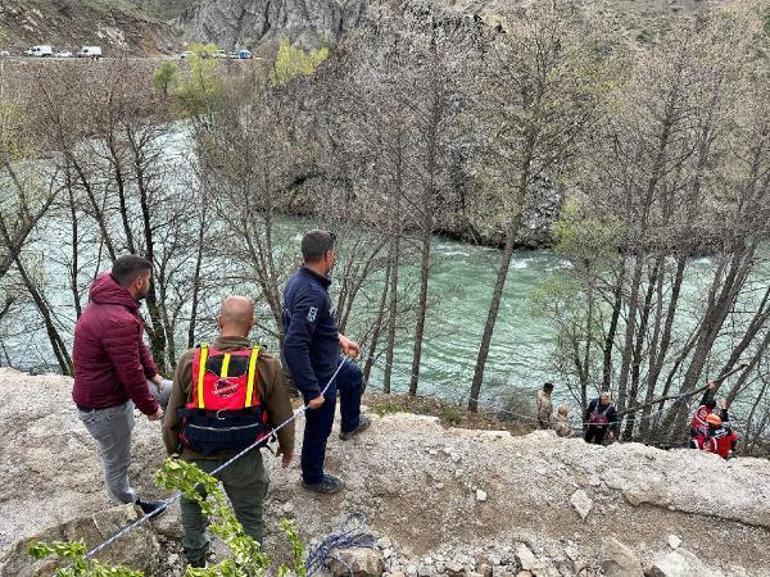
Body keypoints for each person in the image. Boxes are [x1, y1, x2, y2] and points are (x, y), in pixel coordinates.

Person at [163, 296, 295, 568]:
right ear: (253, 323)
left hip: (195, 454)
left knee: (192, 506)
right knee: (249, 517)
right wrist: (287, 447)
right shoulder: (265, 364)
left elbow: (171, 420)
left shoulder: (191, 360)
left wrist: (175, 453)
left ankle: (197, 561)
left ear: (219, 321)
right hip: (243, 458)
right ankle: (248, 567)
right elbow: (283, 415)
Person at [72, 255, 171, 517]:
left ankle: (180, 441)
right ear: (139, 281)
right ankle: (131, 507)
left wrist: (155, 375)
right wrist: (150, 408)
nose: (150, 283)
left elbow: (136, 346)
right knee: (117, 462)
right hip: (104, 405)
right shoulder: (118, 319)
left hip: (111, 388)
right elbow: (130, 374)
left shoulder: (114, 299)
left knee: (173, 391)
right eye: (149, 279)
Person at [282, 230, 370, 494]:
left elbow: (316, 324)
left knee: (354, 377)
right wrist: (312, 390)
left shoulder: (302, 281)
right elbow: (294, 344)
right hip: (317, 371)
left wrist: (339, 338)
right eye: (334, 252)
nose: (335, 256)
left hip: (328, 360)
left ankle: (351, 423)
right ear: (327, 256)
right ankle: (312, 477)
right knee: (319, 425)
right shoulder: (311, 293)